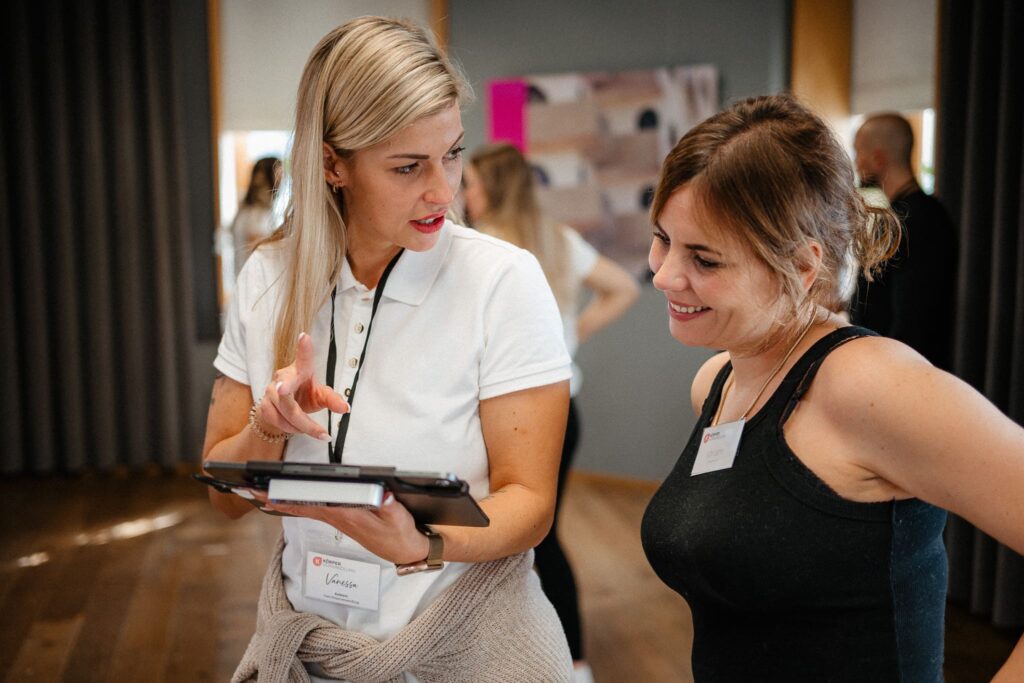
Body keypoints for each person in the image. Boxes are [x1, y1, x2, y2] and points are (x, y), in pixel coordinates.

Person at [202, 17, 575, 682]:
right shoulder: (267, 277)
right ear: (333, 163)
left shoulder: (502, 280)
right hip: (308, 643)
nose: (443, 189)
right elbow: (225, 496)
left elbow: (531, 502)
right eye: (408, 166)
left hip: (472, 644)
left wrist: (424, 544)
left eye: (453, 154)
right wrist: (267, 428)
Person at [639, 94, 1024, 682]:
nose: (664, 273)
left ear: (801, 266)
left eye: (705, 259)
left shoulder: (868, 385)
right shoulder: (717, 383)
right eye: (663, 238)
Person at [462, 143, 640, 682]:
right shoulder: (555, 239)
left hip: (502, 418)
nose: (461, 194)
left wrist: (566, 337)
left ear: (490, 188)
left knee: (505, 536)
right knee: (543, 534)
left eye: (467, 182)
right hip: (564, 409)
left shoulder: (481, 249)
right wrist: (568, 339)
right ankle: (574, 663)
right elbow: (623, 288)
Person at [850, 112, 958, 371]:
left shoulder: (917, 220)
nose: (856, 164)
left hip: (903, 371)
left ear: (878, 158)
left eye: (858, 154)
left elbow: (912, 318)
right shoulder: (909, 215)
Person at [231, 156, 282, 276]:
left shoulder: (251, 210)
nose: (282, 182)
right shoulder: (255, 215)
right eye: (279, 176)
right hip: (256, 283)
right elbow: (257, 252)